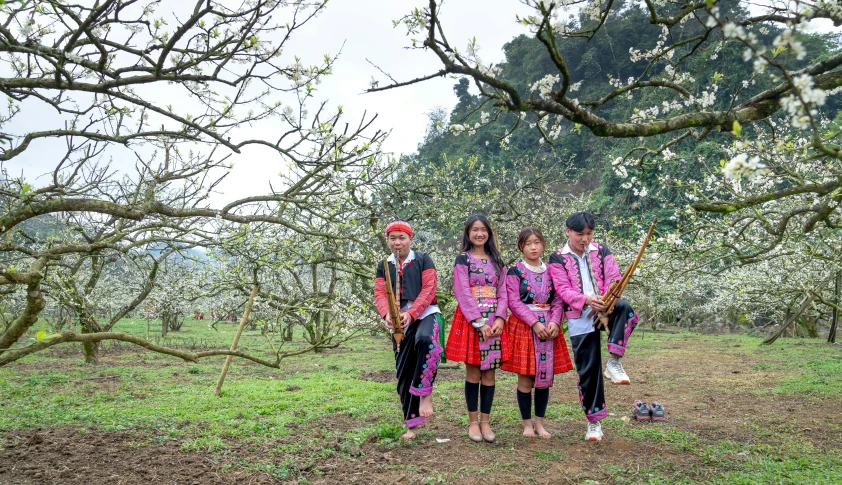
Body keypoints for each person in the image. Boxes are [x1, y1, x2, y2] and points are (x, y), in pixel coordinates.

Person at [548, 211, 640, 442]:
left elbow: (614, 277)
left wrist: (607, 299)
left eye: (589, 234)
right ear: (568, 231)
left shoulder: (602, 251)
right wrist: (587, 300)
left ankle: (614, 362)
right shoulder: (557, 258)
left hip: (606, 306)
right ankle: (594, 423)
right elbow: (563, 289)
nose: (585, 239)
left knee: (626, 309)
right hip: (580, 316)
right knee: (588, 371)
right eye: (580, 234)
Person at [374, 220, 443, 440]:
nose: (397, 243)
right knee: (403, 372)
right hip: (398, 322)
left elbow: (429, 288)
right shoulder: (384, 264)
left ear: (410, 239)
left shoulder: (423, 259)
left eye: (401, 238)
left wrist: (412, 312)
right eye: (392, 238)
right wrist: (387, 314)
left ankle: (425, 393)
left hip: (425, 314)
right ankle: (412, 425)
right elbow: (379, 293)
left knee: (425, 341)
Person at [501, 227, 573, 438]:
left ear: (543, 244)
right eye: (528, 243)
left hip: (549, 328)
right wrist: (534, 322)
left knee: (544, 378)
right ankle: (526, 425)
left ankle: (540, 424)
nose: (533, 247)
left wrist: (555, 322)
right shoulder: (514, 270)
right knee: (525, 379)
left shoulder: (552, 270)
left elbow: (559, 298)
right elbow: (513, 301)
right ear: (521, 246)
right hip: (525, 327)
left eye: (537, 242)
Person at [445, 215, 508, 443]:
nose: (479, 234)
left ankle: (485, 421)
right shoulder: (463, 260)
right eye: (475, 230)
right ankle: (473, 422)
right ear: (468, 233)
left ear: (489, 233)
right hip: (472, 321)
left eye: (483, 229)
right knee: (473, 372)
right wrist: (478, 322)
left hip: (494, 322)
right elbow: (462, 291)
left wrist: (500, 317)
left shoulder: (497, 261)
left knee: (489, 373)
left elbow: (504, 292)